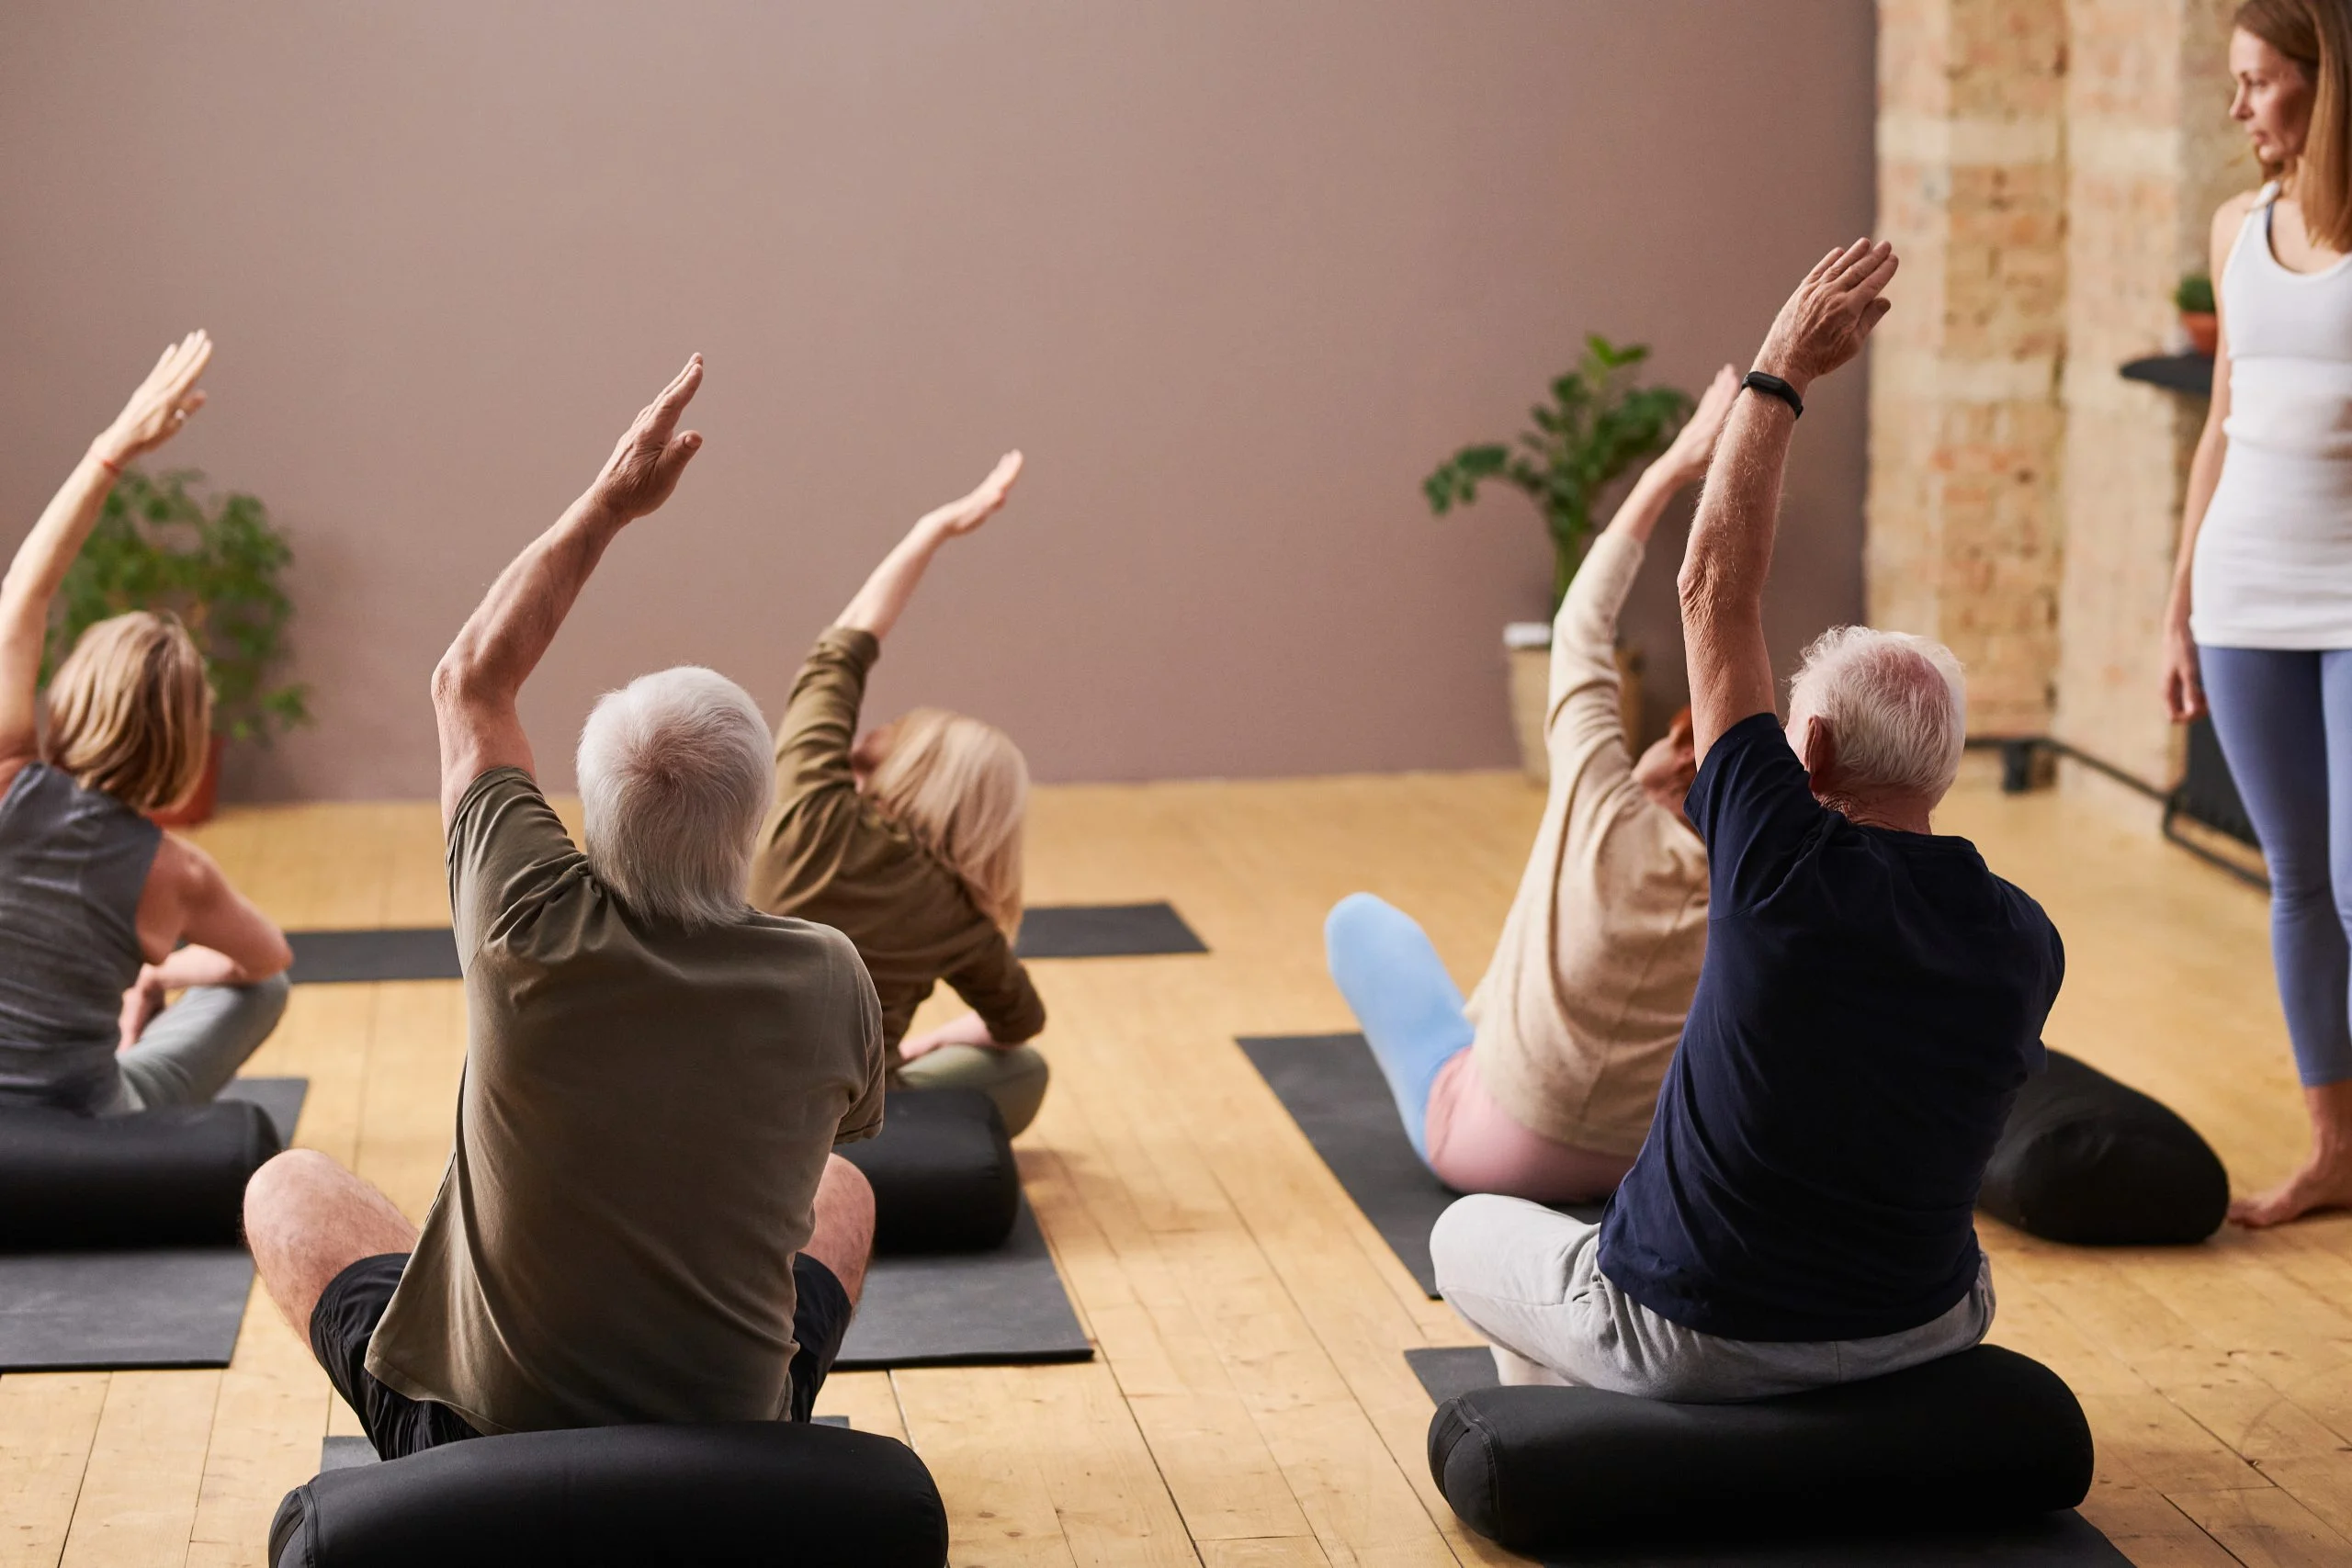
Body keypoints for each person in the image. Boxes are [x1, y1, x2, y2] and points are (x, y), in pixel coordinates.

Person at [1432, 240, 2064, 1403]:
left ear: (1806, 750)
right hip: (1924, 1326)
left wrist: (1779, 373)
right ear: (1944, 769)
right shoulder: (2024, 938)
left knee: (1467, 1232)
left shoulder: (1775, 866)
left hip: (1693, 1336)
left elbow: (1714, 593)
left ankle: (1578, 1443)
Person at [243, 356, 887, 1457]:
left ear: (587, 814)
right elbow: (830, 1127)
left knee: (286, 1187)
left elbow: (471, 681)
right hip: (731, 1431)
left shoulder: (523, 921)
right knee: (844, 1185)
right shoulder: (829, 975)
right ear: (755, 826)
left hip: (474, 1436)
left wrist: (610, 505)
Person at [1321, 365, 1739, 1203]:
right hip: (1654, 1164)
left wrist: (1673, 469)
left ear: (1670, 759)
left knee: (1361, 926)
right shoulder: (1764, 873)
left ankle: (1478, 1055)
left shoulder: (1602, 800)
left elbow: (1581, 623)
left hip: (1495, 1148)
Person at [2162, 0, 2352, 1228]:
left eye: (2258, 82)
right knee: (2296, 877)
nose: (2238, 110)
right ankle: (2337, 1144)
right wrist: (2175, 607)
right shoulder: (2239, 226)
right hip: (2243, 590)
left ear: (2323, 85)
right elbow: (2219, 428)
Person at [0, 331, 290, 1116]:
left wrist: (112, 449)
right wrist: (157, 970)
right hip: (90, 1139)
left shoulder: (5, 783)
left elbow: (23, 596)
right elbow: (268, 959)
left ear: (74, 694)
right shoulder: (177, 872)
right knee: (266, 992)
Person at [750, 453, 1049, 1135]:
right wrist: (926, 1044)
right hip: (843, 1128)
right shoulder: (959, 917)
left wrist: (931, 531)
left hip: (720, 1092)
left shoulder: (812, 810)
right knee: (1025, 1070)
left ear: (915, 768)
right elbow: (1020, 1022)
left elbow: (844, 646)